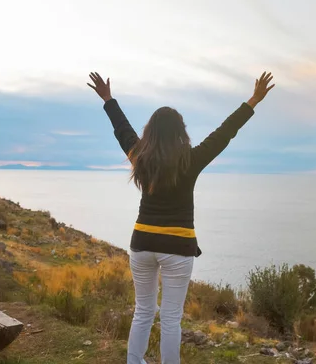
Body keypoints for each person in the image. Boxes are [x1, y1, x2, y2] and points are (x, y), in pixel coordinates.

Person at [87, 71, 275, 364]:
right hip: (177, 247)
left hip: (143, 243)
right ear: (180, 131)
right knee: (171, 319)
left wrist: (108, 99)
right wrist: (253, 101)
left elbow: (122, 129)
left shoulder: (140, 155)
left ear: (150, 131)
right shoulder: (191, 158)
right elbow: (225, 132)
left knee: (143, 311)